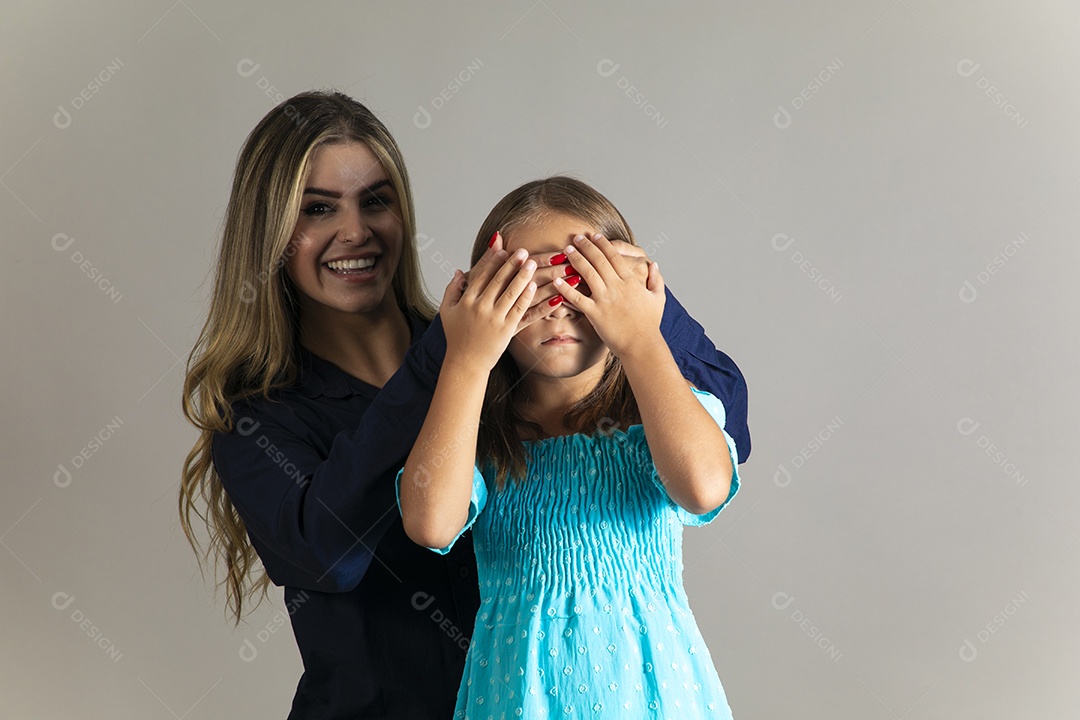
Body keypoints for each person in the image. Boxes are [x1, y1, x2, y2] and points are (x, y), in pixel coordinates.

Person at [180, 91, 750, 718]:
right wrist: (456, 357)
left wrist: (631, 296)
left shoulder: (509, 354)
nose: (355, 230)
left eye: (376, 200)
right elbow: (330, 553)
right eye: (318, 208)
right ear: (273, 236)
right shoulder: (260, 420)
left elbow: (723, 425)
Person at [397, 176, 741, 719]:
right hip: (518, 699)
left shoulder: (656, 413)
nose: (559, 307)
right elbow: (430, 524)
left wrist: (640, 336)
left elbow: (703, 488)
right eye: (529, 286)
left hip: (654, 698)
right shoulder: (477, 434)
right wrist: (466, 356)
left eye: (584, 280)